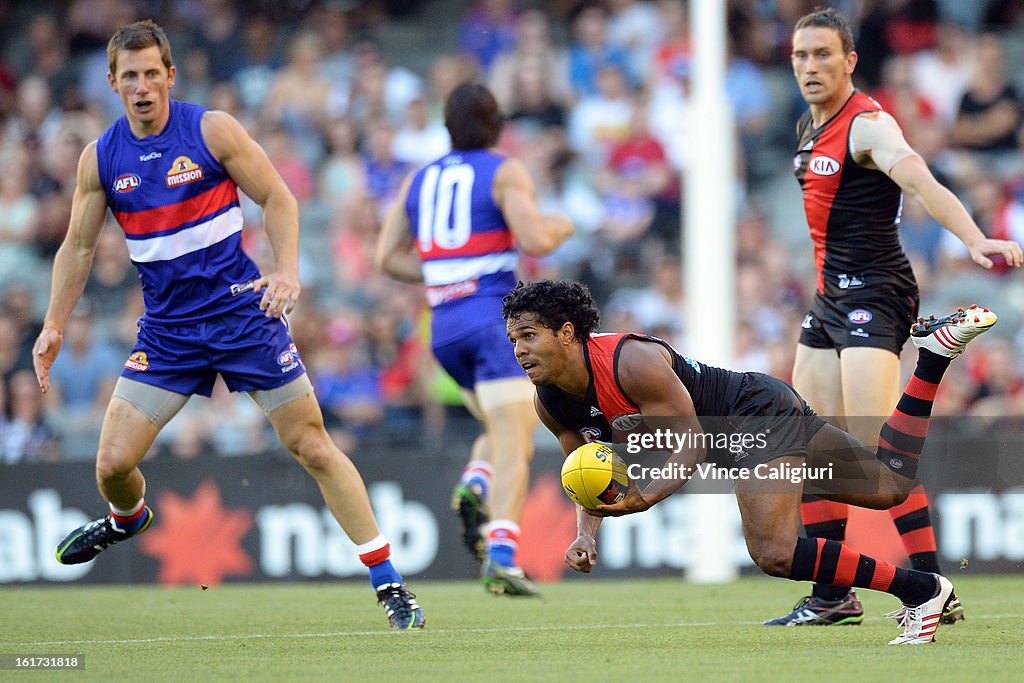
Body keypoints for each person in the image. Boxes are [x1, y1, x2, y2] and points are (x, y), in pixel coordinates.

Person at [32, 20, 424, 631]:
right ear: (112, 82)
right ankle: (127, 520)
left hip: (245, 316)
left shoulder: (211, 130)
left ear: (170, 76)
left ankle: (390, 583)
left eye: (151, 74)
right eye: (129, 76)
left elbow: (280, 199)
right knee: (111, 465)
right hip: (168, 332)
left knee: (312, 445)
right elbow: (78, 248)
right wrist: (54, 322)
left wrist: (287, 271)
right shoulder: (101, 158)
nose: (142, 87)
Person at [502, 279, 997, 645]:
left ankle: (921, 589)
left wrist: (645, 498)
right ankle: (932, 359)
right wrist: (586, 535)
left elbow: (691, 441)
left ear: (567, 333)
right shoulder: (552, 403)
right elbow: (589, 476)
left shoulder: (630, 361)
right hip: (756, 416)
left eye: (529, 335)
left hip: (751, 413)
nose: (519, 350)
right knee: (889, 486)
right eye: (514, 340)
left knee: (774, 551)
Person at [774, 7, 1023, 626]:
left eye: (823, 55)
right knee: (811, 444)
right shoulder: (811, 124)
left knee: (875, 457)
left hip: (876, 296)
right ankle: (832, 596)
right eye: (801, 55)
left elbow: (922, 183)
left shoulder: (870, 125)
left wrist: (973, 238)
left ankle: (937, 585)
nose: (810, 66)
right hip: (829, 300)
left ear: (850, 61)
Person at [376, 82, 573, 596]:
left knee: (500, 421)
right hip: (492, 321)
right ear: (497, 125)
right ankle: (502, 555)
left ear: (447, 127)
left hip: (443, 330)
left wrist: (447, 275)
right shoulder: (504, 169)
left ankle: (477, 481)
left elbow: (386, 257)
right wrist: (563, 225)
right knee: (517, 438)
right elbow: (533, 239)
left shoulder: (419, 180)